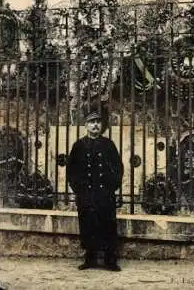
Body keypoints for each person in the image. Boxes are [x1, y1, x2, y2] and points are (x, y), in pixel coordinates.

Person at [67, 106, 123, 271]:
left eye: (98, 122)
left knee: (107, 224)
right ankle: (90, 258)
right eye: (92, 122)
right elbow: (71, 170)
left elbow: (118, 167)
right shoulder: (78, 145)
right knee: (87, 224)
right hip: (86, 194)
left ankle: (109, 260)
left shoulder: (108, 145)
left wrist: (112, 187)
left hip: (105, 194)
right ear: (86, 125)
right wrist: (79, 189)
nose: (95, 125)